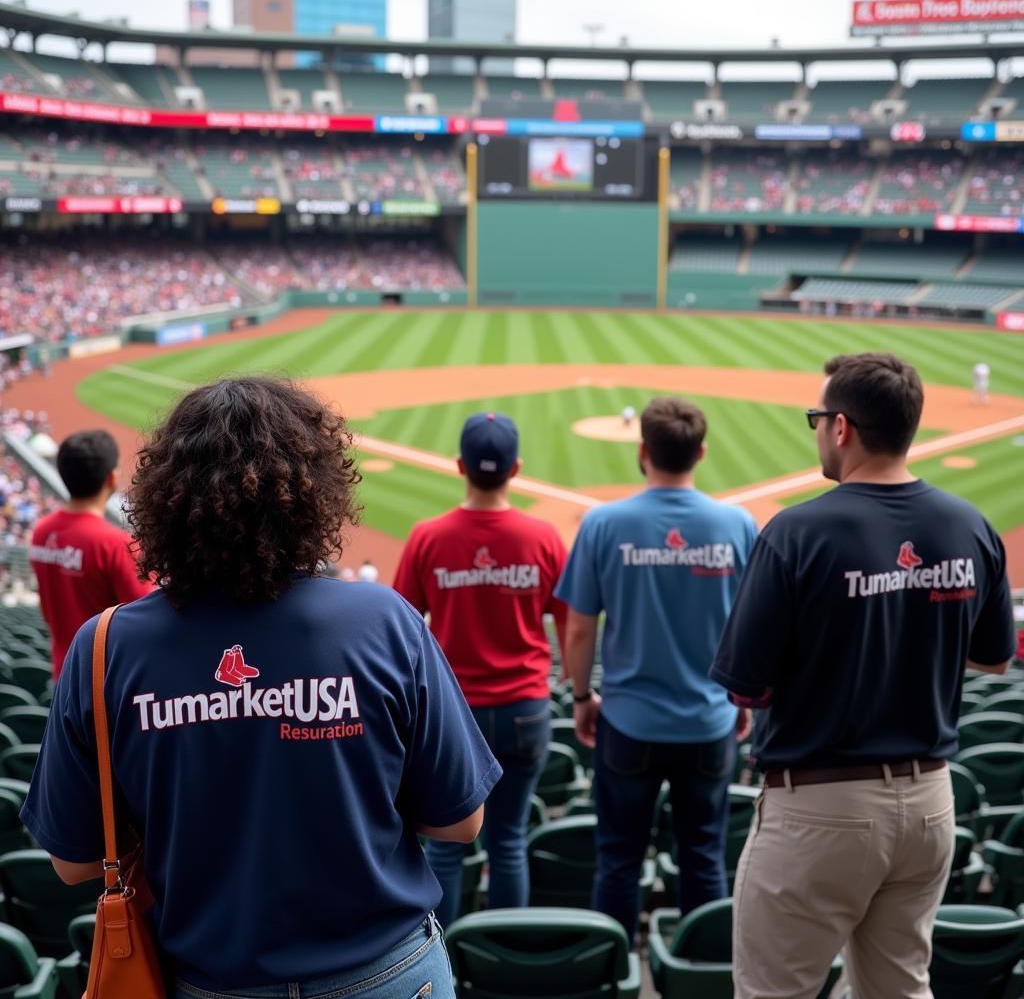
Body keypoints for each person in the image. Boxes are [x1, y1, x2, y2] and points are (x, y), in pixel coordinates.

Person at [22, 378, 500, 999]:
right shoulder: (384, 621)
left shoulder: (105, 646)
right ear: (314, 496)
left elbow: (74, 862)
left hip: (211, 980)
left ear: (165, 498)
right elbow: (461, 823)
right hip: (387, 975)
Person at [710, 352, 1016, 999]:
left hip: (821, 806)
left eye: (817, 419)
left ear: (842, 428)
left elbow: (744, 685)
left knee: (774, 992)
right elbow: (994, 657)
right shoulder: (970, 526)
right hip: (931, 805)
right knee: (898, 988)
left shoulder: (797, 532)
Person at [555, 396, 757, 941]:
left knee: (618, 861)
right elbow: (755, 627)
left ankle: (617, 968)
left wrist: (580, 699)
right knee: (704, 859)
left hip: (628, 723)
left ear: (642, 452)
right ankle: (699, 971)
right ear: (702, 452)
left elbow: (578, 629)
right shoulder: (738, 524)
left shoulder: (602, 524)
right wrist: (742, 700)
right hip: (709, 724)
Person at [393, 411, 568, 926]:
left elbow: (400, 622)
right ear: (515, 468)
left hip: (454, 713)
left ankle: (444, 959)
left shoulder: (429, 537)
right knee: (508, 841)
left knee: (446, 848)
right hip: (525, 708)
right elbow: (570, 619)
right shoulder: (543, 537)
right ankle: (505, 950)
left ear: (458, 466)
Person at [29, 429, 152, 680]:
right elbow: (148, 617)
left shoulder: (41, 531)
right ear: (110, 478)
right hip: (108, 679)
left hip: (63, 672)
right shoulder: (117, 544)